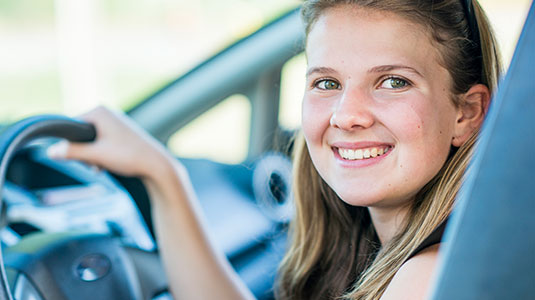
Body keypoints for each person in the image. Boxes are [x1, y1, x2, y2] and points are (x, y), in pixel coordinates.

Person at [47, 0, 501, 299]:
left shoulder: (428, 279)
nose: (347, 115)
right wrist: (162, 175)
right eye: (327, 82)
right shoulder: (392, 252)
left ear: (467, 112)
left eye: (392, 81)